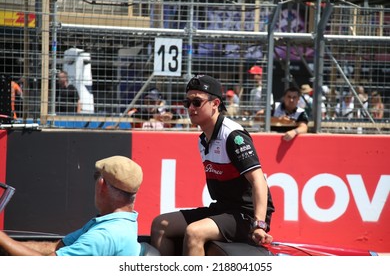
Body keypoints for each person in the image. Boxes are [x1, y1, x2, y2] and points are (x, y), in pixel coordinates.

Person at [150, 74, 275, 256]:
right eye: (188, 103)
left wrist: (259, 224)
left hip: (246, 214)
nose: (190, 108)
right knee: (160, 225)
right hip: (223, 209)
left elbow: (259, 181)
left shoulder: (234, 136)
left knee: (195, 232)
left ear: (215, 103)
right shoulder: (203, 139)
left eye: (197, 102)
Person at [0, 155, 143, 256]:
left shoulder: (102, 237)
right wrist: (6, 243)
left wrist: (2, 239)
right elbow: (56, 247)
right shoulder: (121, 222)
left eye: (96, 176)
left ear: (102, 185)